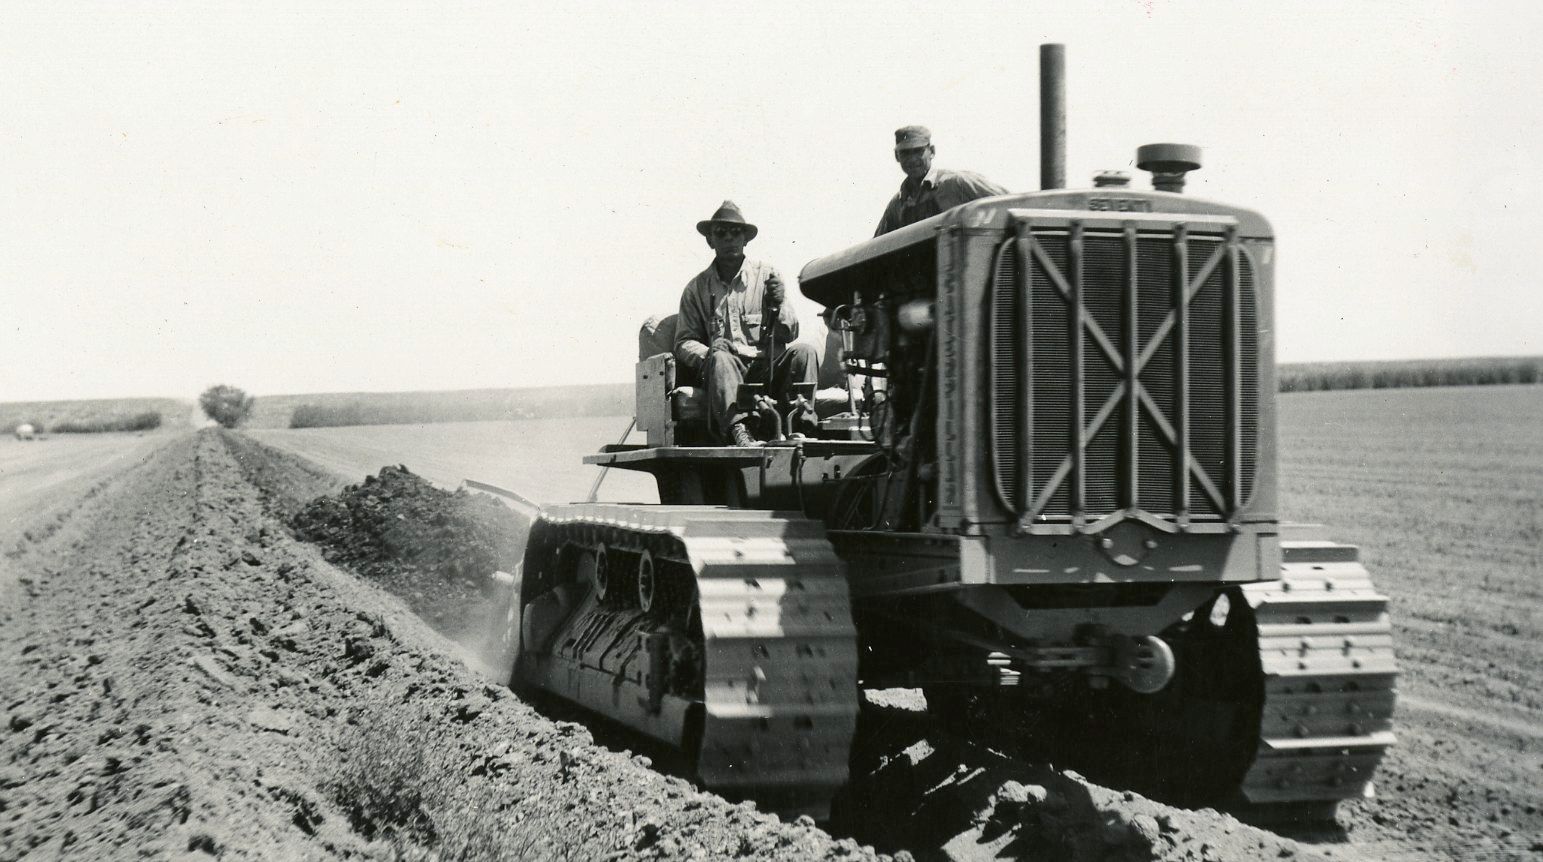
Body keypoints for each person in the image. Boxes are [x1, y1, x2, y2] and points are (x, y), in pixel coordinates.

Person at [675, 201, 818, 446]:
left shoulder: (768, 276)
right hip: (728, 372)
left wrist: (779, 303)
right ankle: (739, 430)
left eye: (736, 232)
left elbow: (790, 332)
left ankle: (801, 427)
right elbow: (683, 342)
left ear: (745, 239)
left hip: (768, 367)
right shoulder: (696, 289)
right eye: (721, 233)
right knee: (720, 359)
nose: (729, 238)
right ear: (710, 240)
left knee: (805, 351)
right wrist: (709, 354)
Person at [875, 125, 1010, 236]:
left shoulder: (956, 183)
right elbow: (876, 247)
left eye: (918, 151)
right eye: (905, 153)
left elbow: (1013, 205)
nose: (912, 159)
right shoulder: (897, 205)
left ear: (932, 151)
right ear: (896, 156)